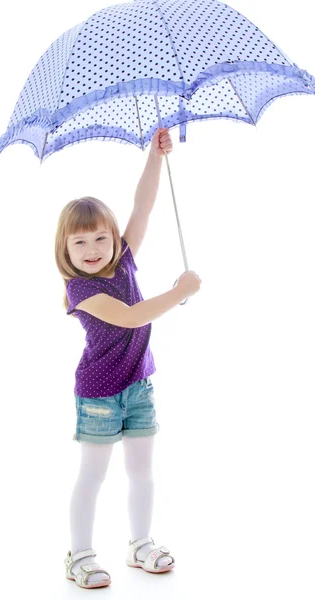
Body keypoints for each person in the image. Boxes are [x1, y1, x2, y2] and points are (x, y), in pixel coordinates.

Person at [54, 128, 201, 589]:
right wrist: (179, 293)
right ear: (66, 251)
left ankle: (140, 544)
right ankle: (79, 555)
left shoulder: (126, 259)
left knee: (142, 470)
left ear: (114, 239)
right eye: (80, 244)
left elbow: (143, 206)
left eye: (101, 238)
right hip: (100, 392)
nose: (93, 250)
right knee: (93, 475)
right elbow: (133, 316)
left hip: (138, 385)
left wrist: (154, 158)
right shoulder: (81, 290)